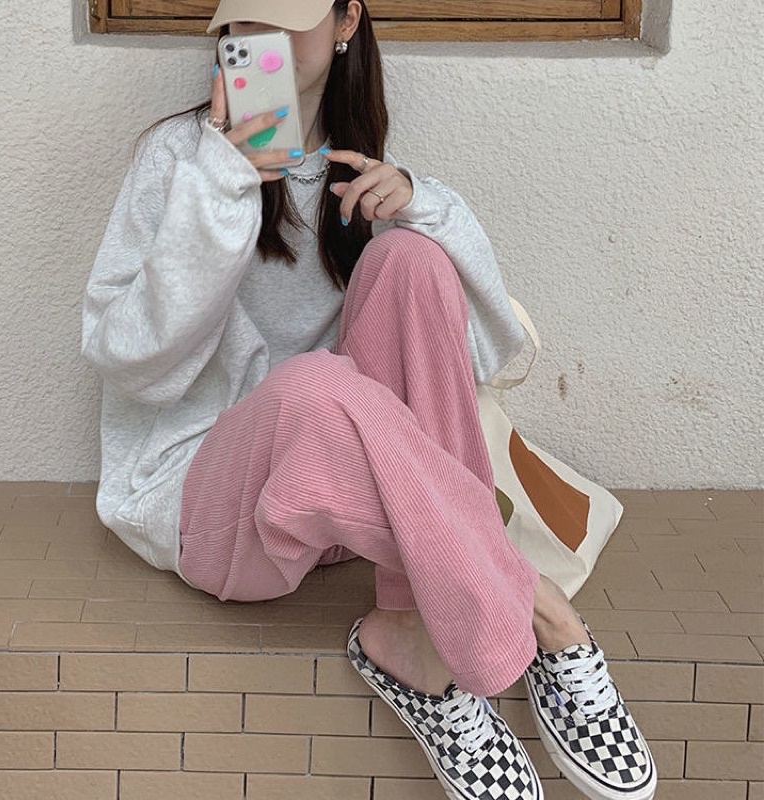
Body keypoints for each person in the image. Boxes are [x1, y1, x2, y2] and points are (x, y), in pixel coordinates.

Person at [82, 1, 657, 798]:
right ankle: (539, 609)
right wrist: (219, 183)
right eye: (246, 20)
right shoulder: (180, 157)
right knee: (312, 387)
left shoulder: (356, 165)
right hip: (208, 509)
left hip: (337, 511)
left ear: (347, 20)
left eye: (288, 12)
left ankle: (414, 635)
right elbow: (129, 363)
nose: (263, 36)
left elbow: (488, 352)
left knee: (412, 261)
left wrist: (421, 203)